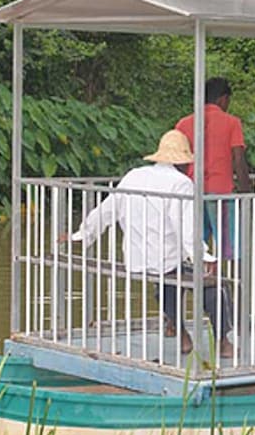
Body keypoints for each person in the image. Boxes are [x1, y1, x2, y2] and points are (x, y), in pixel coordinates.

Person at [66, 130, 235, 357]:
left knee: (168, 282)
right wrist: (205, 257)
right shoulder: (181, 184)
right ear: (184, 163)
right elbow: (185, 230)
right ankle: (224, 341)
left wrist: (81, 234)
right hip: (165, 260)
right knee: (216, 286)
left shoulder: (133, 175)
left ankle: (182, 333)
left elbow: (107, 210)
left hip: (136, 259)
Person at [175, 77, 253, 260]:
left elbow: (179, 162)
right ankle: (230, 284)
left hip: (192, 194)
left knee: (194, 248)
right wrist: (246, 194)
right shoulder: (231, 123)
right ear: (223, 99)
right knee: (230, 251)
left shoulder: (184, 123)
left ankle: (198, 283)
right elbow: (239, 160)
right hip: (221, 196)